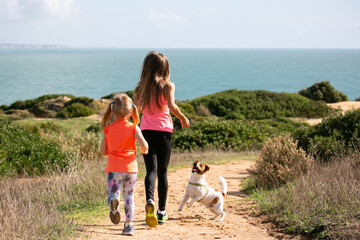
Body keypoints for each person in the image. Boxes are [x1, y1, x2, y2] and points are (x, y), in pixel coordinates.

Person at [134, 51, 190, 227]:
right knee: (163, 172)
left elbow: (137, 109)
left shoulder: (140, 87)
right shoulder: (168, 86)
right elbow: (172, 106)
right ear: (165, 69)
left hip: (146, 132)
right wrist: (182, 117)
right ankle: (162, 211)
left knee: (151, 170)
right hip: (164, 132)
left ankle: (149, 199)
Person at [100, 93, 148, 236]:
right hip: (130, 167)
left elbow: (103, 151)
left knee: (113, 193)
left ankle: (113, 203)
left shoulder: (108, 129)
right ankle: (128, 226)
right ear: (131, 111)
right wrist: (140, 150)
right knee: (129, 196)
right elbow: (145, 148)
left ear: (112, 111)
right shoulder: (133, 128)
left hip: (113, 167)